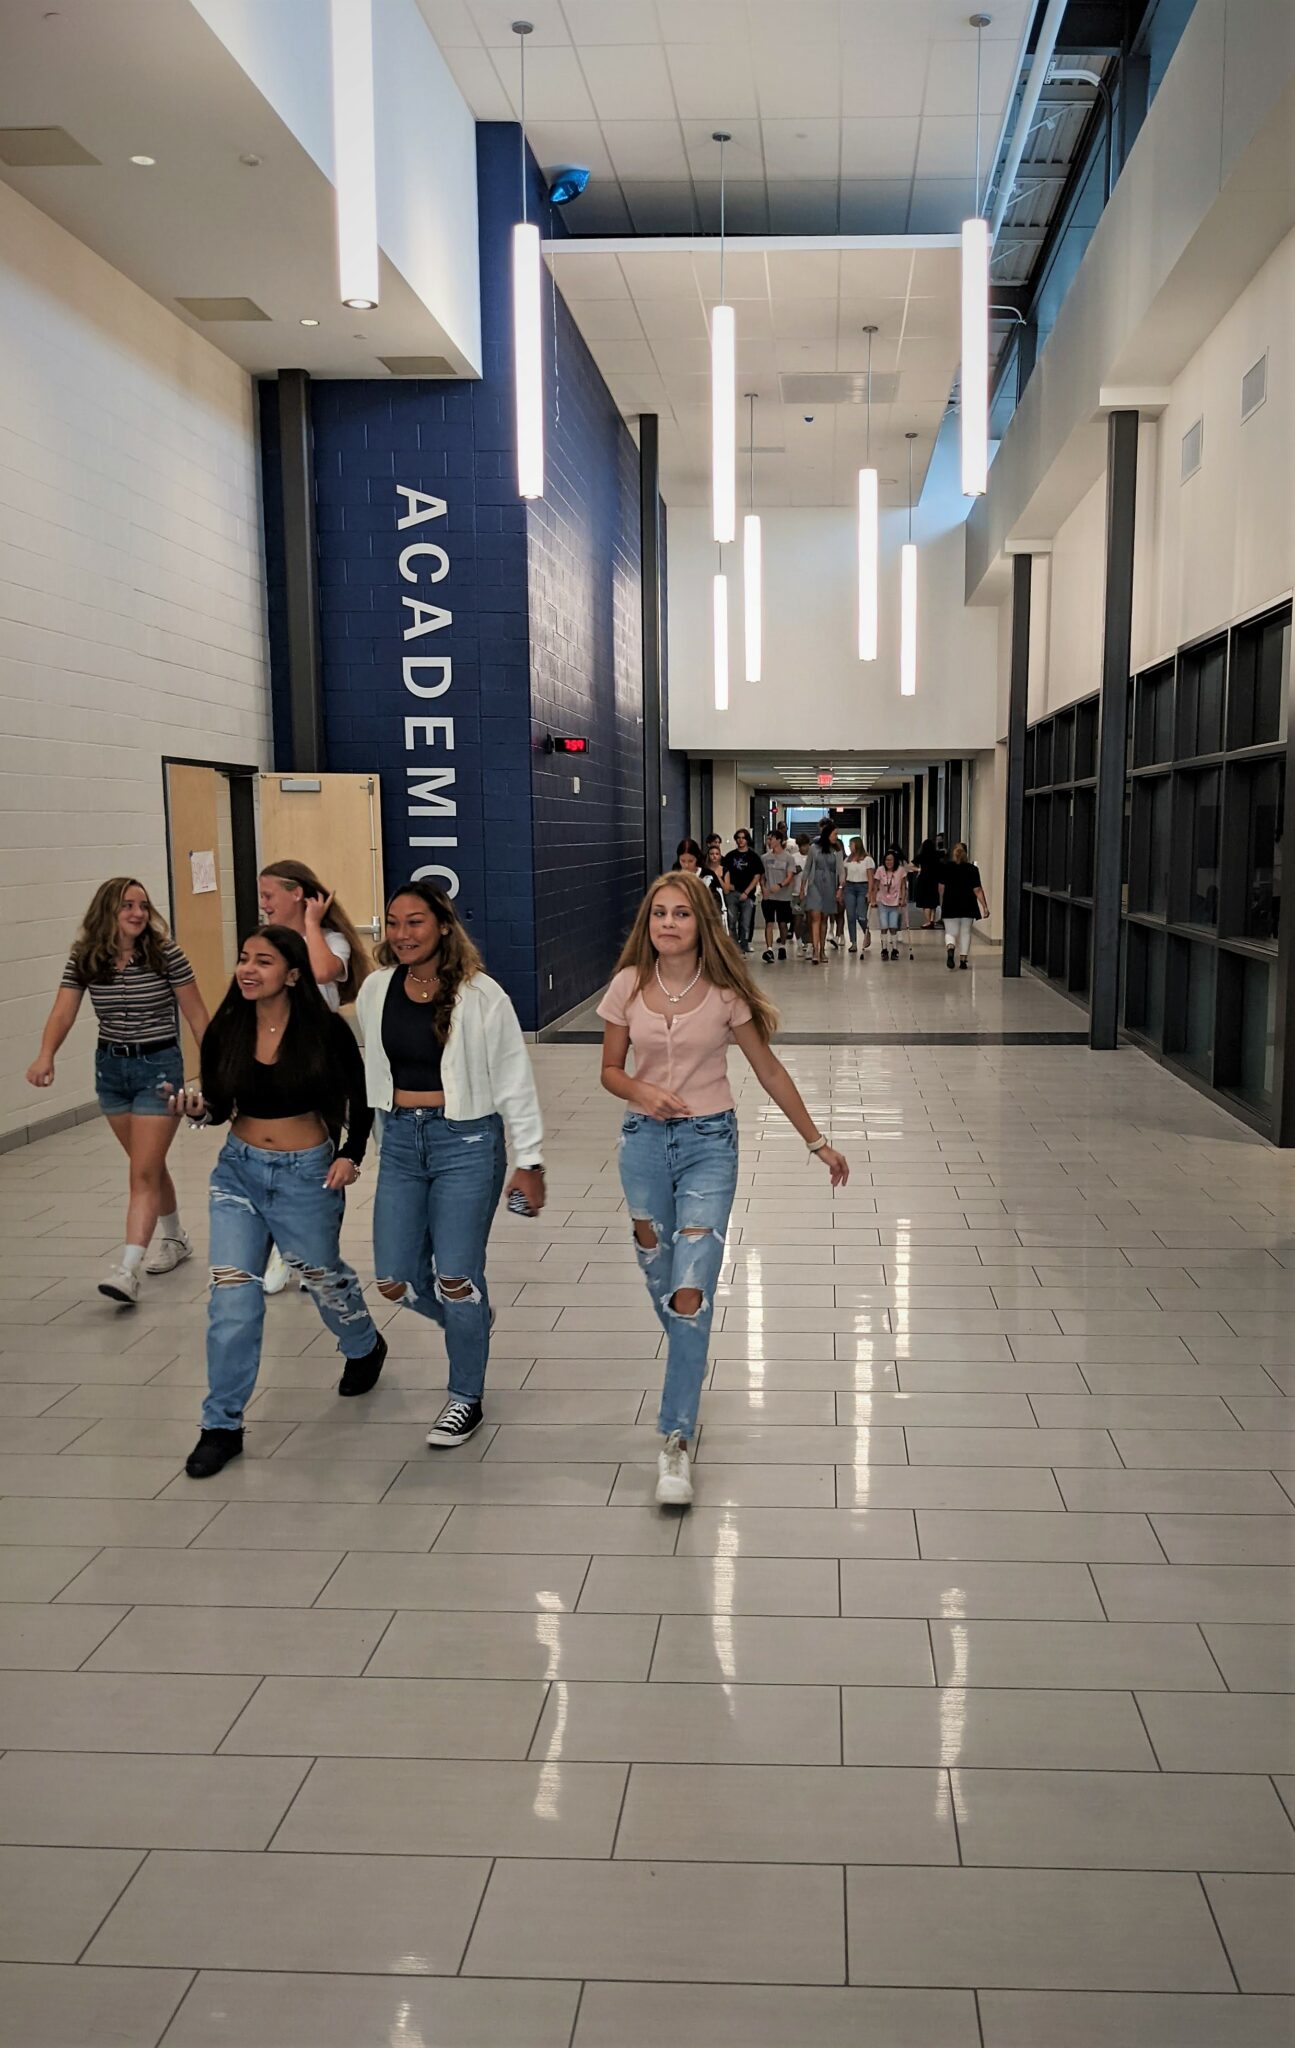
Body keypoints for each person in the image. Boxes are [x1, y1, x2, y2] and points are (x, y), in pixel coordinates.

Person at [599, 870, 849, 1507]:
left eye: (682, 914)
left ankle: (675, 1441)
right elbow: (609, 1070)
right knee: (661, 1272)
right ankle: (691, 1342)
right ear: (647, 924)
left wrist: (816, 1141)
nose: (669, 925)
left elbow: (767, 1068)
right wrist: (641, 1089)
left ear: (701, 923)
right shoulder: (627, 986)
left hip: (711, 1143)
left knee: (689, 1292)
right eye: (659, 914)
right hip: (644, 1145)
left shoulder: (725, 993)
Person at [175, 926, 385, 1480]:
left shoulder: (323, 1033)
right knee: (232, 1300)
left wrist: (351, 1154)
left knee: (322, 1277)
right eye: (243, 958)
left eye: (262, 961)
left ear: (291, 973)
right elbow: (220, 1107)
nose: (247, 969)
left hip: (306, 1176)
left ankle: (363, 1344)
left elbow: (359, 1097)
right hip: (238, 1175)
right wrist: (196, 1109)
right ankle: (221, 1425)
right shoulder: (227, 1028)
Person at [356, 882, 545, 1449]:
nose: (402, 934)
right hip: (399, 1142)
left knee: (457, 1277)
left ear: (442, 926)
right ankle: (471, 1325)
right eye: (393, 923)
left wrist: (529, 1160)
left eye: (414, 922)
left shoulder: (481, 996)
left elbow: (515, 1081)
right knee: (394, 1277)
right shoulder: (375, 989)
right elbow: (374, 1071)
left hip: (466, 1142)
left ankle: (465, 1396)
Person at [28, 877, 210, 1304]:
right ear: (107, 911)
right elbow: (64, 1009)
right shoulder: (87, 958)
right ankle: (176, 1239)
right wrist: (45, 1054)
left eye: (143, 906)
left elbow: (198, 1016)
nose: (137, 913)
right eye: (127, 905)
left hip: (158, 1069)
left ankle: (127, 1269)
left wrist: (217, 1076)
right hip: (111, 1069)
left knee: (141, 1173)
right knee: (146, 1165)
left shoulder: (166, 956)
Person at [257, 861, 372, 1293]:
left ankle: (317, 1252)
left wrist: (311, 923)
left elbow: (323, 972)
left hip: (320, 1067)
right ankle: (281, 1251)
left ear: (296, 894)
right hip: (272, 1062)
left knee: (318, 1165)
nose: (264, 904)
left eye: (270, 895)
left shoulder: (331, 940)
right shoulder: (264, 941)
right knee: (274, 1163)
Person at [799, 821, 844, 964]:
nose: (836, 836)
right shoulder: (814, 848)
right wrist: (802, 887)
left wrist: (840, 888)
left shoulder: (837, 850)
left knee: (824, 917)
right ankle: (815, 950)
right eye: (835, 834)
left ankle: (822, 949)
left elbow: (841, 871)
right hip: (815, 884)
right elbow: (807, 868)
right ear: (828, 834)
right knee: (815, 916)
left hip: (830, 885)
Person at [939, 843, 990, 969]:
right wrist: (985, 907)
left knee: (950, 932)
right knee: (965, 932)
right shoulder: (972, 869)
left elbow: (941, 888)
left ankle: (950, 948)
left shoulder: (946, 867)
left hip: (950, 904)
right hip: (968, 904)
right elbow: (977, 890)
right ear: (966, 853)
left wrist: (941, 903)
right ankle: (963, 960)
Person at [721, 829, 764, 953]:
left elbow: (757, 876)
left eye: (743, 838)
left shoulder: (754, 857)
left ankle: (744, 944)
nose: (741, 840)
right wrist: (728, 886)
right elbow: (724, 873)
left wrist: (747, 892)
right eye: (738, 837)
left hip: (748, 895)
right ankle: (733, 946)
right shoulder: (730, 856)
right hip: (732, 894)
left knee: (745, 923)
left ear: (747, 840)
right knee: (731, 921)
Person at [759, 830, 798, 961]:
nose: (769, 842)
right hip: (769, 896)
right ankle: (769, 949)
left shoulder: (788, 858)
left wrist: (780, 885)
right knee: (769, 922)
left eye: (771, 839)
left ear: (779, 840)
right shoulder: (765, 858)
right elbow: (762, 876)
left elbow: (790, 876)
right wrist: (764, 888)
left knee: (782, 923)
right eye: (768, 839)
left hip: (783, 896)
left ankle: (782, 946)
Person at [871, 849, 908, 960]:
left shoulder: (900, 870)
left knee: (893, 926)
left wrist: (902, 898)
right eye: (887, 860)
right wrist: (872, 899)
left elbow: (903, 886)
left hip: (895, 902)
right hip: (882, 901)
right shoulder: (880, 870)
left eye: (891, 860)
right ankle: (884, 949)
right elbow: (875, 885)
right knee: (884, 926)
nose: (889, 862)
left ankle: (895, 949)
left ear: (895, 861)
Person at [675, 837, 724, 917]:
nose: (686, 865)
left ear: (697, 859)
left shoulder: (708, 875)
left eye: (690, 861)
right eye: (683, 861)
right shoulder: (675, 877)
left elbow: (717, 903)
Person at [843, 837, 875, 954]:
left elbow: (871, 876)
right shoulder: (847, 860)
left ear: (857, 845)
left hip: (863, 887)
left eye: (851, 845)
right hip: (850, 887)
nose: (849, 847)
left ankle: (866, 933)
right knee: (850, 915)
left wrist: (870, 892)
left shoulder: (867, 859)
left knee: (861, 914)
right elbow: (844, 876)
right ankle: (853, 942)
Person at [911, 834, 944, 929]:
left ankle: (928, 921)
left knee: (925, 903)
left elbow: (910, 865)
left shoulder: (921, 856)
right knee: (933, 902)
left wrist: (918, 870)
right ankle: (932, 920)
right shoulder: (936, 855)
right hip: (934, 880)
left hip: (923, 880)